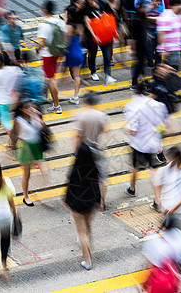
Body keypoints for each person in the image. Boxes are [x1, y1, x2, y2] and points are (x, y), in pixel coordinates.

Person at [124, 83, 169, 197]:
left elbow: (133, 130)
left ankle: (132, 188)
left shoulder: (132, 106)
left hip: (138, 144)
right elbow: (164, 124)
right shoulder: (159, 105)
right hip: (153, 143)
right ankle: (158, 199)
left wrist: (127, 129)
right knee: (152, 169)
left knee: (134, 167)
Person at [65, 135, 103, 270]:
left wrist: (66, 201)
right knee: (87, 229)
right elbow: (97, 184)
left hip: (77, 204)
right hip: (90, 202)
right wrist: (99, 201)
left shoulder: (76, 169)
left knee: (81, 232)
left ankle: (87, 261)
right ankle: (89, 251)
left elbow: (70, 186)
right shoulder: (93, 168)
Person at [74, 93, 109, 208]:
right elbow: (104, 131)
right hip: (97, 148)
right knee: (101, 177)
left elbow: (78, 136)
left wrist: (76, 151)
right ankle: (101, 202)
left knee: (82, 175)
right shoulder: (101, 116)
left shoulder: (81, 116)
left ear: (85, 102)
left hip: (84, 150)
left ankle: (83, 199)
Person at [12, 102, 50, 207]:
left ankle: (43, 191)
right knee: (27, 174)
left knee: (44, 171)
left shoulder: (35, 117)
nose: (30, 109)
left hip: (36, 146)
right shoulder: (18, 121)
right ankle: (26, 196)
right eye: (27, 108)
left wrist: (37, 117)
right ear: (22, 110)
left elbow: (45, 129)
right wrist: (15, 149)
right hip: (25, 147)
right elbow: (15, 135)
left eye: (31, 107)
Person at [151, 147, 181, 230]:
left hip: (180, 210)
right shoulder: (163, 171)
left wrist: (174, 208)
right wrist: (160, 203)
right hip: (167, 210)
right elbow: (156, 185)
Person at [36, 0, 66, 114]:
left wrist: (38, 49)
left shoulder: (43, 24)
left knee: (51, 78)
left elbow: (43, 42)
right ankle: (44, 95)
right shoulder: (59, 21)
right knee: (49, 76)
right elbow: (64, 37)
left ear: (45, 10)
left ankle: (57, 105)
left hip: (48, 54)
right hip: (57, 53)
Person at [84, 0, 117, 84]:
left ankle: (108, 75)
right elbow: (87, 23)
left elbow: (109, 16)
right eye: (91, 0)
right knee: (93, 53)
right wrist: (94, 36)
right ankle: (93, 71)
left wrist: (113, 30)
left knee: (106, 55)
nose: (93, 2)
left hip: (103, 34)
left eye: (94, 0)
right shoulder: (86, 8)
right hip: (91, 36)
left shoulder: (102, 4)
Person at [156, 0, 181, 71]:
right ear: (172, 6)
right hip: (169, 49)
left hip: (176, 48)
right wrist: (163, 49)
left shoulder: (179, 16)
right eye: (178, 5)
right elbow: (161, 34)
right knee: (171, 71)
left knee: (173, 71)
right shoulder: (165, 17)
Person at [63, 23, 85, 105]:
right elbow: (81, 38)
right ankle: (76, 96)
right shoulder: (79, 28)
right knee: (77, 76)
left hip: (71, 53)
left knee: (66, 72)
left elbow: (66, 42)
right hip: (79, 52)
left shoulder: (68, 30)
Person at [130, 1, 149, 89]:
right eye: (144, 7)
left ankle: (140, 79)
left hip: (143, 45)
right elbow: (133, 37)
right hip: (139, 46)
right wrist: (132, 49)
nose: (146, 9)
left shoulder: (143, 18)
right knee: (139, 64)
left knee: (141, 64)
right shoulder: (136, 20)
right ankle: (134, 82)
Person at [145, 0, 164, 67]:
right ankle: (150, 61)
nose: (157, 3)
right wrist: (156, 19)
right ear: (151, 0)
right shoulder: (147, 8)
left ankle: (158, 64)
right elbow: (145, 17)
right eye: (155, 1)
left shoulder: (161, 8)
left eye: (158, 1)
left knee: (158, 49)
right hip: (149, 32)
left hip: (158, 32)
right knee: (150, 48)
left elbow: (161, 19)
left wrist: (151, 18)